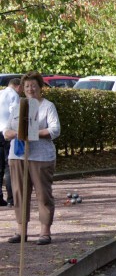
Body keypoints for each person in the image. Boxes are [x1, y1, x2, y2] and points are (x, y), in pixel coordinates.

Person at [3, 72, 61, 245]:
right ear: (22, 88)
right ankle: (21, 231)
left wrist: (32, 133)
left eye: (33, 85)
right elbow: (6, 130)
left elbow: (54, 130)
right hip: (18, 156)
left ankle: (45, 231)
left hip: (41, 157)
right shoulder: (17, 106)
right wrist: (14, 134)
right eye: (27, 86)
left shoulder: (47, 106)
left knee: (43, 194)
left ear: (40, 87)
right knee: (19, 194)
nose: (30, 89)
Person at [0, 78, 21, 207]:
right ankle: (11, 198)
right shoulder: (14, 95)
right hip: (6, 132)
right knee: (9, 165)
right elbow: (15, 114)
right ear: (18, 86)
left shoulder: (1, 93)